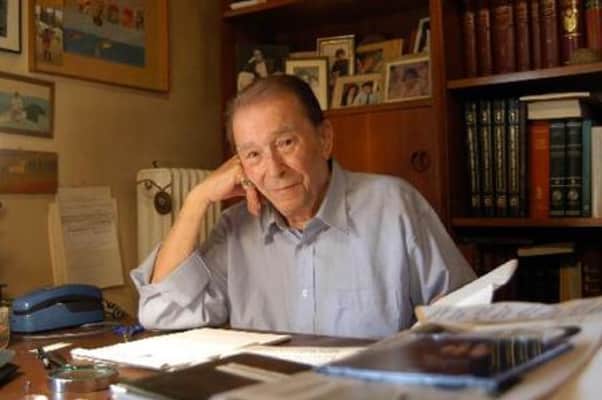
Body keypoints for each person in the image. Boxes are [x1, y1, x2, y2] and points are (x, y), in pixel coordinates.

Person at [131, 75, 475, 339]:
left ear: (324, 139)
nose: (274, 169)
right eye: (253, 154)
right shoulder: (236, 228)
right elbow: (160, 312)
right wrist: (197, 200)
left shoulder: (394, 205)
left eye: (285, 142)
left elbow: (468, 320)